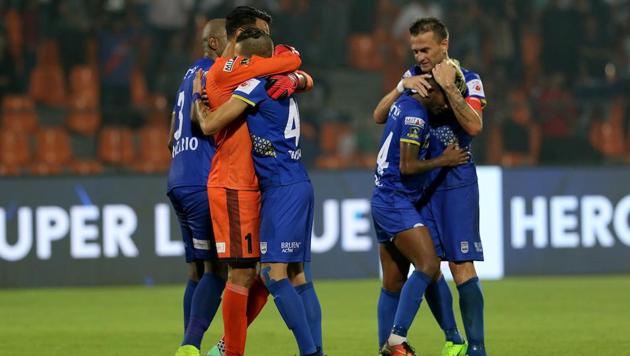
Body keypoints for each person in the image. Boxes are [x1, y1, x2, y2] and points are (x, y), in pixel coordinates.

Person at [191, 27, 321, 356]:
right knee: (297, 275)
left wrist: (198, 98)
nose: (233, 61)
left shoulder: (254, 85)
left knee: (272, 275)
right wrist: (300, 78)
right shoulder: (282, 79)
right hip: (298, 181)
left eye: (238, 56)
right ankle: (316, 349)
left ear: (249, 59)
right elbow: (296, 62)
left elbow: (208, 125)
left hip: (280, 189)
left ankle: (310, 352)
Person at [373, 17, 487, 356]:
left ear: (444, 44)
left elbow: (475, 126)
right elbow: (379, 115)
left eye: (425, 49)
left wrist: (449, 88)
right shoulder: (412, 78)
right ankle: (452, 340)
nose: (420, 56)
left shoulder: (470, 80)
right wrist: (400, 88)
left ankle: (476, 348)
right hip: (420, 182)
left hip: (455, 182)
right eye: (415, 50)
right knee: (427, 268)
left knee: (460, 265)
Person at [372, 76, 468, 356]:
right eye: (445, 97)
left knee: (393, 282)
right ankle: (396, 339)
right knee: (428, 264)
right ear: (431, 90)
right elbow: (407, 165)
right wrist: (445, 160)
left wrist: (401, 85)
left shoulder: (403, 103)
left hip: (384, 197)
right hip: (395, 199)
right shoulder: (416, 116)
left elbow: (378, 114)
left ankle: (389, 349)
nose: (446, 106)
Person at [167, 18, 227, 356]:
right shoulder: (213, 74)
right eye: (231, 43)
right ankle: (190, 346)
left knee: (197, 269)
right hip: (202, 181)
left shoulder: (188, 74)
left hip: (178, 176)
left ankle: (188, 343)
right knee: (218, 269)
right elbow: (196, 116)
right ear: (216, 44)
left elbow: (170, 133)